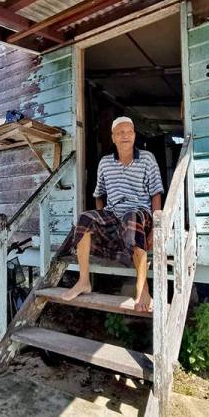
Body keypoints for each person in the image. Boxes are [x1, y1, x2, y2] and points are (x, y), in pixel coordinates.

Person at [61, 116, 164, 312]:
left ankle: (142, 288)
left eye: (129, 132)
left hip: (140, 213)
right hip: (114, 213)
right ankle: (84, 281)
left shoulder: (147, 159)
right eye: (120, 132)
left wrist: (156, 230)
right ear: (113, 138)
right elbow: (99, 194)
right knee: (86, 219)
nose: (125, 136)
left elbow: (156, 194)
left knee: (131, 218)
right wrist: (101, 219)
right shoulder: (105, 163)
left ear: (134, 135)